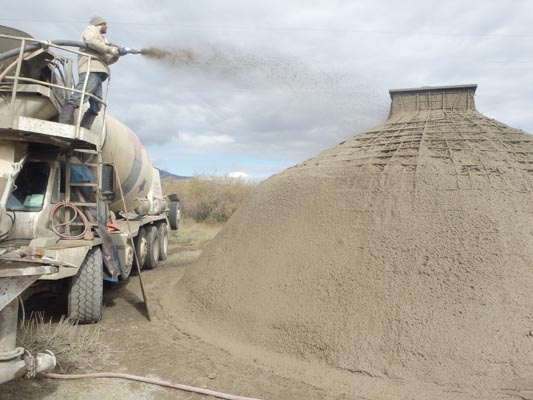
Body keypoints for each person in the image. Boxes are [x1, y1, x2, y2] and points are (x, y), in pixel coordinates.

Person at [59, 16, 127, 129]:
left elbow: (107, 60)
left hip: (99, 71)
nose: (107, 26)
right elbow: (91, 41)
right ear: (99, 24)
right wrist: (111, 49)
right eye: (105, 24)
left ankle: (84, 128)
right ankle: (64, 122)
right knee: (80, 95)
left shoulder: (103, 40)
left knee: (97, 104)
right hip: (90, 68)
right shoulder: (91, 29)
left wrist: (117, 55)